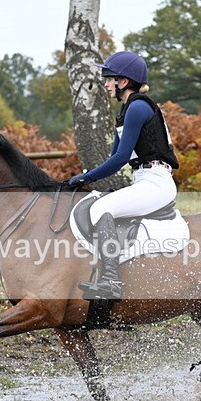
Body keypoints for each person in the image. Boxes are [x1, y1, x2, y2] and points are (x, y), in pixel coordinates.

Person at [69, 51, 179, 300]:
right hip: (145, 179)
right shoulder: (126, 110)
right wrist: (86, 176)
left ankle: (111, 282)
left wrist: (85, 178)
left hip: (156, 182)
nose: (106, 84)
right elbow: (114, 159)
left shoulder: (138, 107)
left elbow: (120, 158)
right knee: (99, 202)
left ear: (124, 81)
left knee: (100, 209)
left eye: (109, 79)